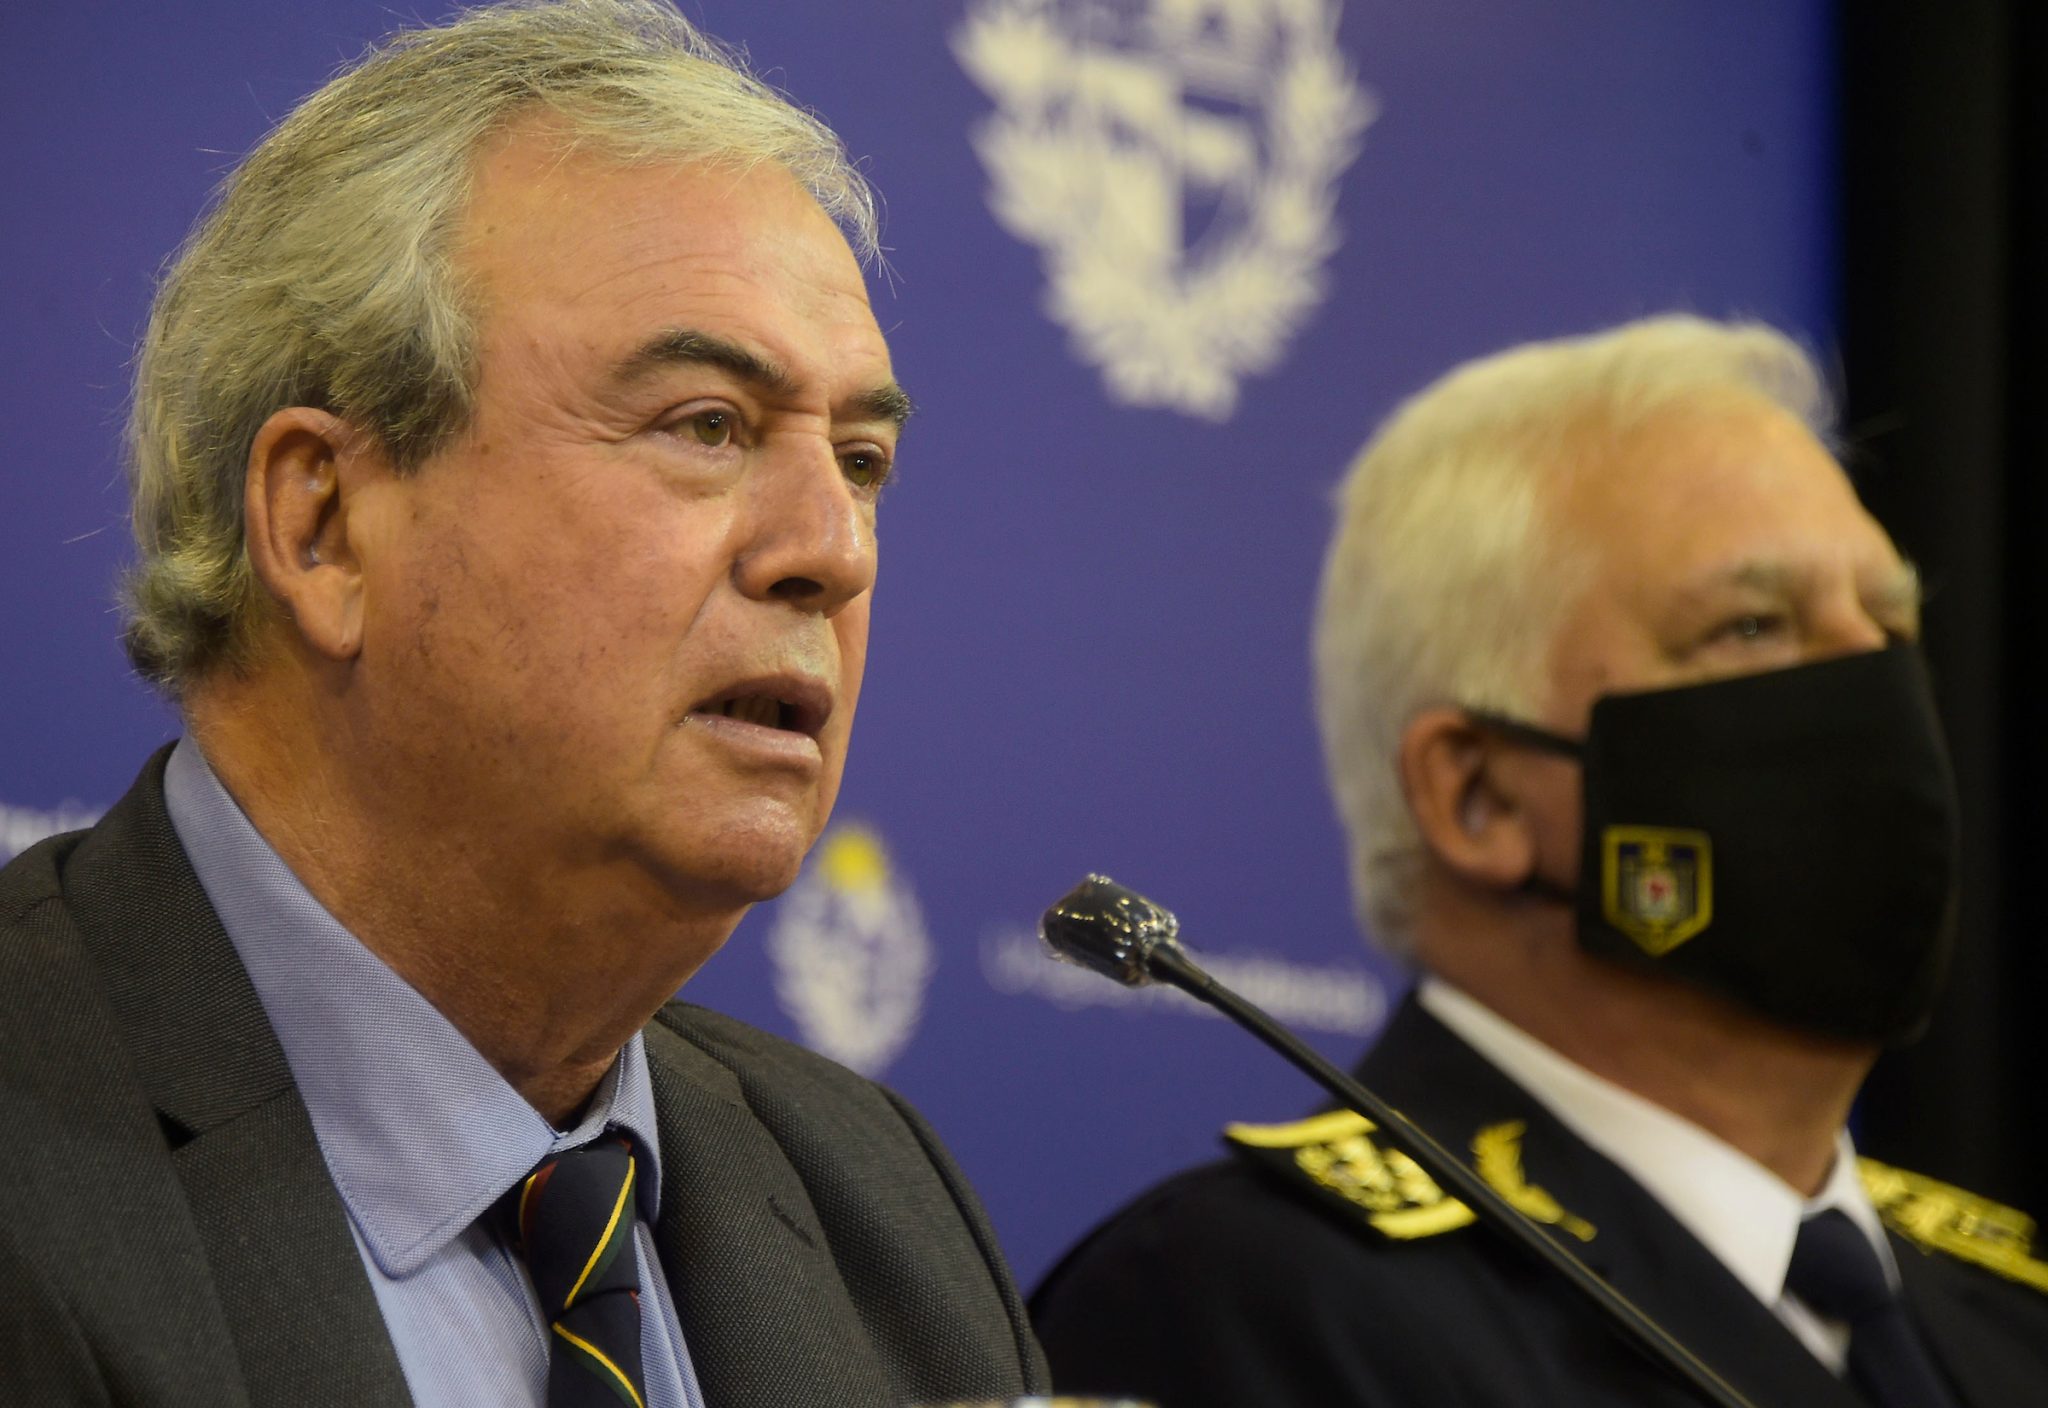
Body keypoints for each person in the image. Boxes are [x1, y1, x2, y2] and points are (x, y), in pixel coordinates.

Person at [0, 3, 1048, 1405]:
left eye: (860, 462)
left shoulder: (885, 1209)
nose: (833, 550)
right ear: (324, 527)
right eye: (707, 426)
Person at [1031, 316, 2048, 1406]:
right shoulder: (1249, 1305)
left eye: (1890, 623)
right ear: (1480, 796)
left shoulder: (2013, 1318)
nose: (1877, 687)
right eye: (1753, 626)